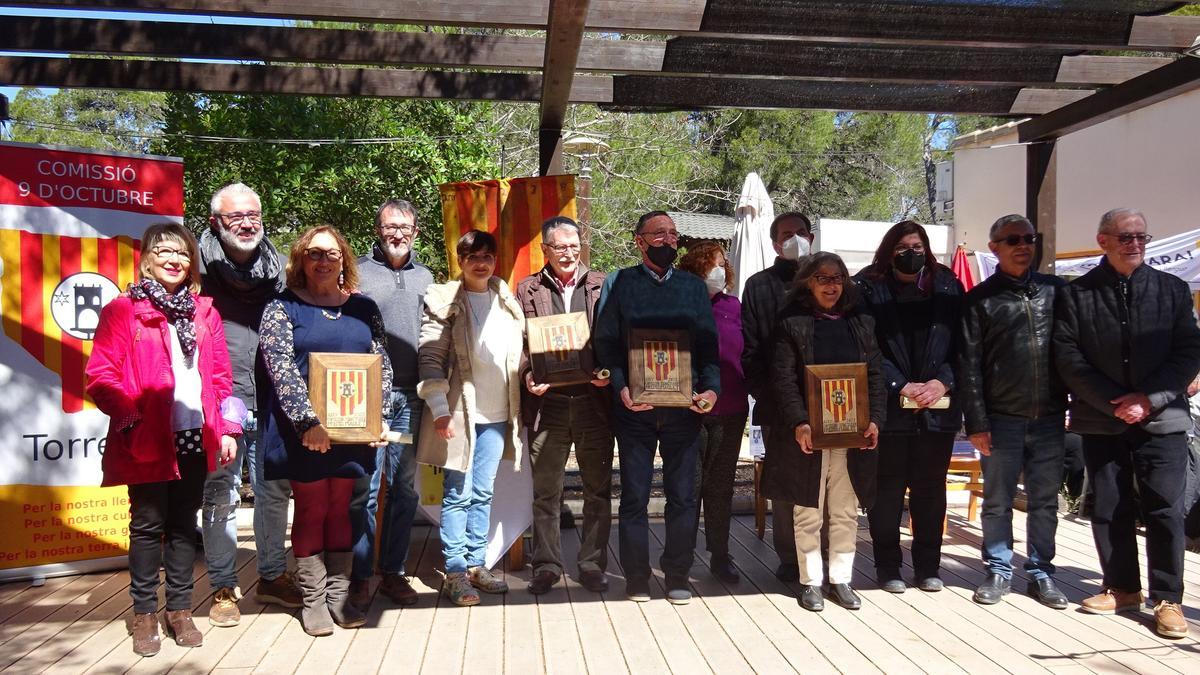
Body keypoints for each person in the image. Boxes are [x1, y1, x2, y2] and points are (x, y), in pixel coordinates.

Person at [86, 222, 241, 657]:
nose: (175, 260)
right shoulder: (124, 309)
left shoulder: (204, 312)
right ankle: (143, 614)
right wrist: (131, 413)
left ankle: (180, 610)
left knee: (182, 526)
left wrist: (227, 428)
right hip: (148, 435)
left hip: (194, 432)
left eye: (183, 253)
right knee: (147, 526)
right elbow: (101, 375)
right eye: (165, 251)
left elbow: (221, 377)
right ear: (148, 258)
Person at [1054, 208, 1200, 638]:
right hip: (1102, 419)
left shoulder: (1172, 290)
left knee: (1165, 510)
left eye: (1141, 236)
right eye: (1125, 237)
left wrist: (1148, 400)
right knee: (1110, 505)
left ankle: (1168, 598)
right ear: (1103, 241)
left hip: (1163, 419)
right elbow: (1068, 357)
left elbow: (1189, 352)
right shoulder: (1076, 294)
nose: (1134, 244)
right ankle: (1121, 587)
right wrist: (1112, 402)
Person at [258, 226, 391, 636]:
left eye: (331, 254)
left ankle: (338, 596)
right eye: (314, 253)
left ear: (343, 260)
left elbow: (381, 364)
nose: (323, 260)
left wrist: (379, 417)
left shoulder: (365, 308)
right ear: (300, 259)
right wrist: (308, 424)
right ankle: (312, 600)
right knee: (313, 507)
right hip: (304, 432)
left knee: (342, 507)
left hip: (354, 427)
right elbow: (279, 370)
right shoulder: (281, 307)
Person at [594, 211, 720, 605]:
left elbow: (708, 348)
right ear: (640, 241)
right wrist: (620, 387)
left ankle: (678, 573)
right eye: (659, 234)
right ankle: (636, 576)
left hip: (684, 410)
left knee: (683, 495)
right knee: (634, 495)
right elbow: (606, 343)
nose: (668, 241)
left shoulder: (693, 287)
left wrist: (711, 389)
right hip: (636, 410)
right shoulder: (620, 283)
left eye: (672, 234)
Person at [197, 182, 298, 627]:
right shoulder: (195, 271)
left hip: (272, 396)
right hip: (221, 399)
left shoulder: (280, 271)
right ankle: (222, 583)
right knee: (220, 493)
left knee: (274, 492)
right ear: (215, 222)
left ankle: (272, 576)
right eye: (236, 217)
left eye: (253, 215)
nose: (246, 224)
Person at [957, 214, 1069, 609]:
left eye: (1028, 238)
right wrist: (977, 422)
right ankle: (999, 570)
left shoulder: (1057, 291)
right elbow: (967, 365)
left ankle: (1041, 573)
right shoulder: (979, 300)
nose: (1023, 245)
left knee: (1044, 501)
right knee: (997, 500)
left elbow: (1073, 352)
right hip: (1001, 418)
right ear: (995, 248)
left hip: (1051, 416)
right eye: (1012, 239)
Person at [767, 252, 884, 611]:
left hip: (852, 434)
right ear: (807, 282)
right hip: (808, 437)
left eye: (837, 278)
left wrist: (876, 418)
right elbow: (783, 380)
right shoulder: (792, 323)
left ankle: (841, 579)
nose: (832, 285)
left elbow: (876, 375)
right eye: (823, 278)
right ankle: (810, 581)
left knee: (845, 510)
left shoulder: (861, 323)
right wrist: (799, 422)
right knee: (808, 510)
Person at [416, 230, 526, 607]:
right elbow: (430, 356)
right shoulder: (444, 300)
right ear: (460, 261)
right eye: (472, 256)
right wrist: (439, 410)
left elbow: (519, 357)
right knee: (457, 494)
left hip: (499, 413)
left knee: (483, 492)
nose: (481, 262)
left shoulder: (508, 300)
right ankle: (456, 571)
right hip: (460, 413)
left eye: (488, 256)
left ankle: (478, 565)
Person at [854, 220, 964, 593]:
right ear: (889, 251)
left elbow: (962, 347)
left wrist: (940, 382)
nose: (911, 253)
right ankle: (887, 567)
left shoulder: (947, 284)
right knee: (887, 491)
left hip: (938, 407)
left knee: (931, 491)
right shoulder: (868, 286)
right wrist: (901, 384)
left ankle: (928, 567)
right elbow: (866, 348)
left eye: (918, 247)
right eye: (903, 247)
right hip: (888, 407)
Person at [516, 216, 614, 595]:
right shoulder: (527, 290)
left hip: (594, 401)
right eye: (560, 247)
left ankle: (591, 563)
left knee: (597, 489)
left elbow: (613, 336)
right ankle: (546, 565)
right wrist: (527, 375)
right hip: (549, 404)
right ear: (546, 250)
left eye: (574, 246)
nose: (569, 253)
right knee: (546, 491)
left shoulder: (603, 285)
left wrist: (608, 371)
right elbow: (520, 344)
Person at [349, 199, 434, 609]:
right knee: (366, 489)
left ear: (416, 232)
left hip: (413, 398)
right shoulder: (358, 274)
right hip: (369, 398)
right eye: (389, 227)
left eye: (404, 226)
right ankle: (360, 575)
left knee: (403, 489)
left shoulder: (427, 278)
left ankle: (394, 571)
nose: (396, 233)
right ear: (378, 230)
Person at [740, 212, 813, 581]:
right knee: (784, 485)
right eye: (787, 234)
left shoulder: (828, 279)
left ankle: (819, 557)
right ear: (774, 243)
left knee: (826, 484)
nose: (795, 239)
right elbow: (749, 347)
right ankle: (789, 558)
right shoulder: (758, 285)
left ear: (811, 237)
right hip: (776, 403)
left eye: (801, 233)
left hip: (827, 402)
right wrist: (767, 395)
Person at [678, 240, 749, 583]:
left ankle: (720, 555)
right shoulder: (679, 306)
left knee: (720, 488)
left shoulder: (734, 307)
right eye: (711, 264)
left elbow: (745, 355)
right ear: (695, 269)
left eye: (722, 264)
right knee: (688, 485)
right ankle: (682, 555)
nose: (718, 270)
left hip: (731, 410)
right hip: (687, 410)